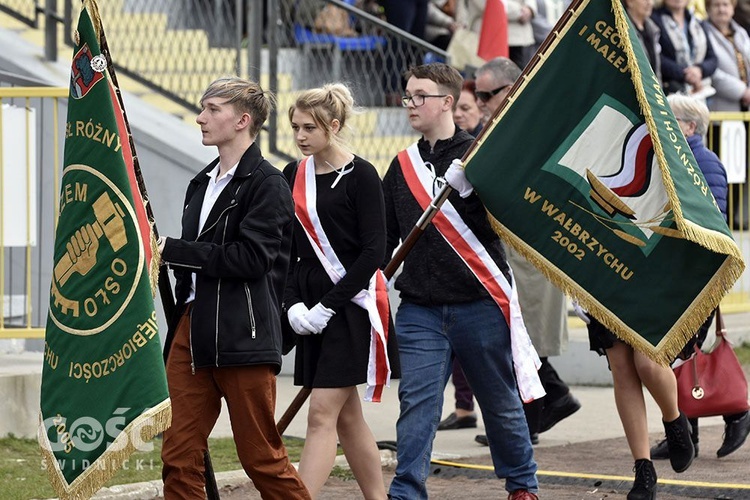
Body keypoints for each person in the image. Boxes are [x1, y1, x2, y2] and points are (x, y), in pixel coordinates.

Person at [383, 62, 540, 500]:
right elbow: (383, 234)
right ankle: (406, 491)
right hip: (419, 308)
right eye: (407, 95)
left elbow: (503, 225)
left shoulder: (481, 156)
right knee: (417, 404)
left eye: (420, 96)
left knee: (499, 400)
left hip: (479, 301)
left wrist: (471, 192)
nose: (410, 104)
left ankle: (522, 484)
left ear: (447, 102)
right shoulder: (402, 166)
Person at [158, 76, 310, 499]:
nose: (200, 117)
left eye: (212, 109)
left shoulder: (268, 183)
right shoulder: (201, 182)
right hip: (191, 330)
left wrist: (175, 250)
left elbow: (252, 259)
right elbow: (202, 258)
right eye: (202, 108)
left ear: (243, 120)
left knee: (261, 458)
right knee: (178, 454)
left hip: (244, 332)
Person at [282, 83, 400, 499]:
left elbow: (374, 252)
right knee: (347, 419)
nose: (299, 136)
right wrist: (294, 302)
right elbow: (292, 249)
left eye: (308, 128)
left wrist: (327, 307)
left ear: (333, 125)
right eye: (295, 127)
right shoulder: (292, 174)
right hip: (312, 305)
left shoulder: (362, 175)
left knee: (320, 415)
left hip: (351, 308)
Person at [473, 57, 580, 447]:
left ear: (511, 87)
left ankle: (530, 421)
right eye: (478, 94)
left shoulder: (534, 124)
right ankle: (551, 402)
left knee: (525, 337)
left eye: (488, 94)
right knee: (520, 337)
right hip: (508, 244)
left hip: (532, 245)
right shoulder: (499, 125)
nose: (482, 101)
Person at [648, 94, 750, 461]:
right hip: (675, 274)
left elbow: (711, 221)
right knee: (675, 353)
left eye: (667, 117)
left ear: (689, 127)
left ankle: (735, 410)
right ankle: (683, 434)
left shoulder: (702, 162)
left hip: (693, 276)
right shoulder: (675, 157)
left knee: (680, 352)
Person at [437, 78, 486, 433]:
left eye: (468, 108)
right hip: (441, 276)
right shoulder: (429, 155)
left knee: (494, 372)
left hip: (479, 278)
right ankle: (463, 406)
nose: (462, 115)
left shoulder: (482, 150)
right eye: (459, 110)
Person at [703, 0, 750, 228]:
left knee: (741, 166)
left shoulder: (740, 33)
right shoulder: (705, 31)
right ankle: (724, 221)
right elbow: (715, 73)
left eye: (726, 4)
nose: (722, 9)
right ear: (708, 8)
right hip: (722, 112)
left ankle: (736, 219)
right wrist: (743, 92)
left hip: (744, 113)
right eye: (717, 5)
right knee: (723, 169)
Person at [651, 0, 718, 95]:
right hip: (671, 93)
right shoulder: (654, 20)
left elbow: (712, 58)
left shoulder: (697, 21)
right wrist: (685, 74)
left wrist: (699, 70)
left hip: (702, 92)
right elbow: (655, 56)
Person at [626, 0, 662, 84]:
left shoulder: (653, 29)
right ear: (629, 2)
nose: (649, 3)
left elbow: (656, 70)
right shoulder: (623, 30)